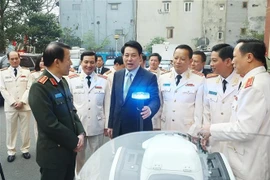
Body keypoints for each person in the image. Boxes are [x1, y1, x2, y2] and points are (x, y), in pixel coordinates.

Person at [199, 39, 270, 180]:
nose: (232, 62)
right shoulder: (255, 80)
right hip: (242, 158)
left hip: (248, 163)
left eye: (235, 57)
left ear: (249, 57)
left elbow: (245, 130)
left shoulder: (254, 85)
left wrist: (211, 130)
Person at [28, 42, 85, 180]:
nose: (71, 63)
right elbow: (49, 124)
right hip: (53, 155)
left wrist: (81, 132)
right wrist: (74, 141)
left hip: (69, 152)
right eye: (68, 59)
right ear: (57, 62)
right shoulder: (40, 87)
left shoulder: (63, 82)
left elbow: (72, 110)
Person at [67, 51, 111, 174]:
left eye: (92, 62)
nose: (89, 65)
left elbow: (107, 105)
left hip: (97, 125)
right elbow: (69, 105)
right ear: (81, 63)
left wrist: (107, 125)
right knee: (78, 158)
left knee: (97, 156)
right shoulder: (72, 80)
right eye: (86, 62)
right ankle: (79, 176)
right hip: (78, 126)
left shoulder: (104, 81)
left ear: (96, 63)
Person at [107, 41, 160, 138]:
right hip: (119, 127)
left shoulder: (149, 77)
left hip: (139, 126)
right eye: (126, 55)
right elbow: (114, 102)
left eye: (133, 55)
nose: (129, 59)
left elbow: (155, 100)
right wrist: (110, 124)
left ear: (140, 57)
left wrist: (150, 109)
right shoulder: (117, 75)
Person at [157, 45, 205, 135]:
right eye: (176, 58)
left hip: (186, 131)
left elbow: (199, 111)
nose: (178, 62)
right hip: (166, 128)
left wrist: (193, 133)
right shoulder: (163, 78)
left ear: (190, 61)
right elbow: (160, 105)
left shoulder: (198, 80)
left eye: (182, 59)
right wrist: (156, 127)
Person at [203, 44, 241, 153]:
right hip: (214, 140)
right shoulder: (210, 82)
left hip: (234, 144)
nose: (211, 64)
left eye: (214, 60)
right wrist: (205, 133)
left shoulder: (242, 82)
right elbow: (206, 111)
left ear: (228, 61)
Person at [0, 51, 31, 162]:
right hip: (10, 107)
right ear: (8, 60)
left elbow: (29, 88)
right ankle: (11, 151)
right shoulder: (2, 73)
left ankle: (25, 149)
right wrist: (13, 102)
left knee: (25, 130)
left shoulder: (27, 72)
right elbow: (2, 89)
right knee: (11, 130)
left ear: (19, 58)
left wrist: (22, 101)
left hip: (24, 106)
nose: (14, 61)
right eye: (12, 59)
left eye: (16, 58)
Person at [29, 56, 45, 140]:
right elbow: (30, 90)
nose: (43, 63)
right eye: (41, 61)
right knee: (37, 125)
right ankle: (38, 144)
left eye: (45, 61)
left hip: (48, 103)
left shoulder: (52, 74)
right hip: (38, 103)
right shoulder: (33, 75)